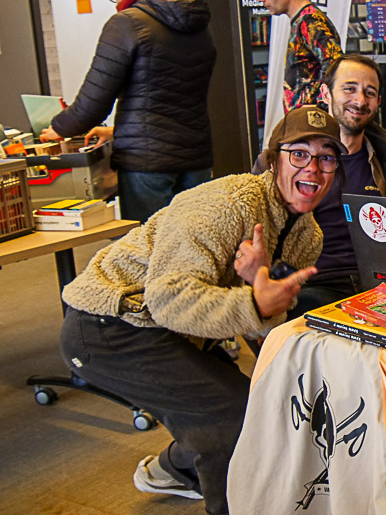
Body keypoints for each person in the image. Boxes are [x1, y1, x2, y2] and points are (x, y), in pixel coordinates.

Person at [57, 108, 346, 515]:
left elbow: (263, 321)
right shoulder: (225, 204)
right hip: (109, 326)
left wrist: (258, 296)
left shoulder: (307, 235)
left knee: (260, 407)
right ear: (273, 160)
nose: (313, 168)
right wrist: (254, 302)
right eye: (298, 154)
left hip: (179, 331)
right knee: (233, 418)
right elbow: (167, 298)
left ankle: (175, 469)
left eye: (326, 158)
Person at [41, 0, 216, 224]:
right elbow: (170, 96)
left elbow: (94, 99)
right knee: (195, 241)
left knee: (148, 244)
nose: (115, 1)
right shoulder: (197, 22)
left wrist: (59, 128)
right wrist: (116, 132)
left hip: (147, 164)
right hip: (196, 156)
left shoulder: (127, 23)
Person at [284, 53, 386, 315]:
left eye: (369, 93)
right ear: (325, 94)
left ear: (378, 102)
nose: (360, 101)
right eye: (349, 89)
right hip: (316, 286)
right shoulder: (289, 162)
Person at [255, 0, 343, 112]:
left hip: (312, 122)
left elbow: (336, 66)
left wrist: (317, 111)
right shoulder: (302, 20)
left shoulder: (310, 21)